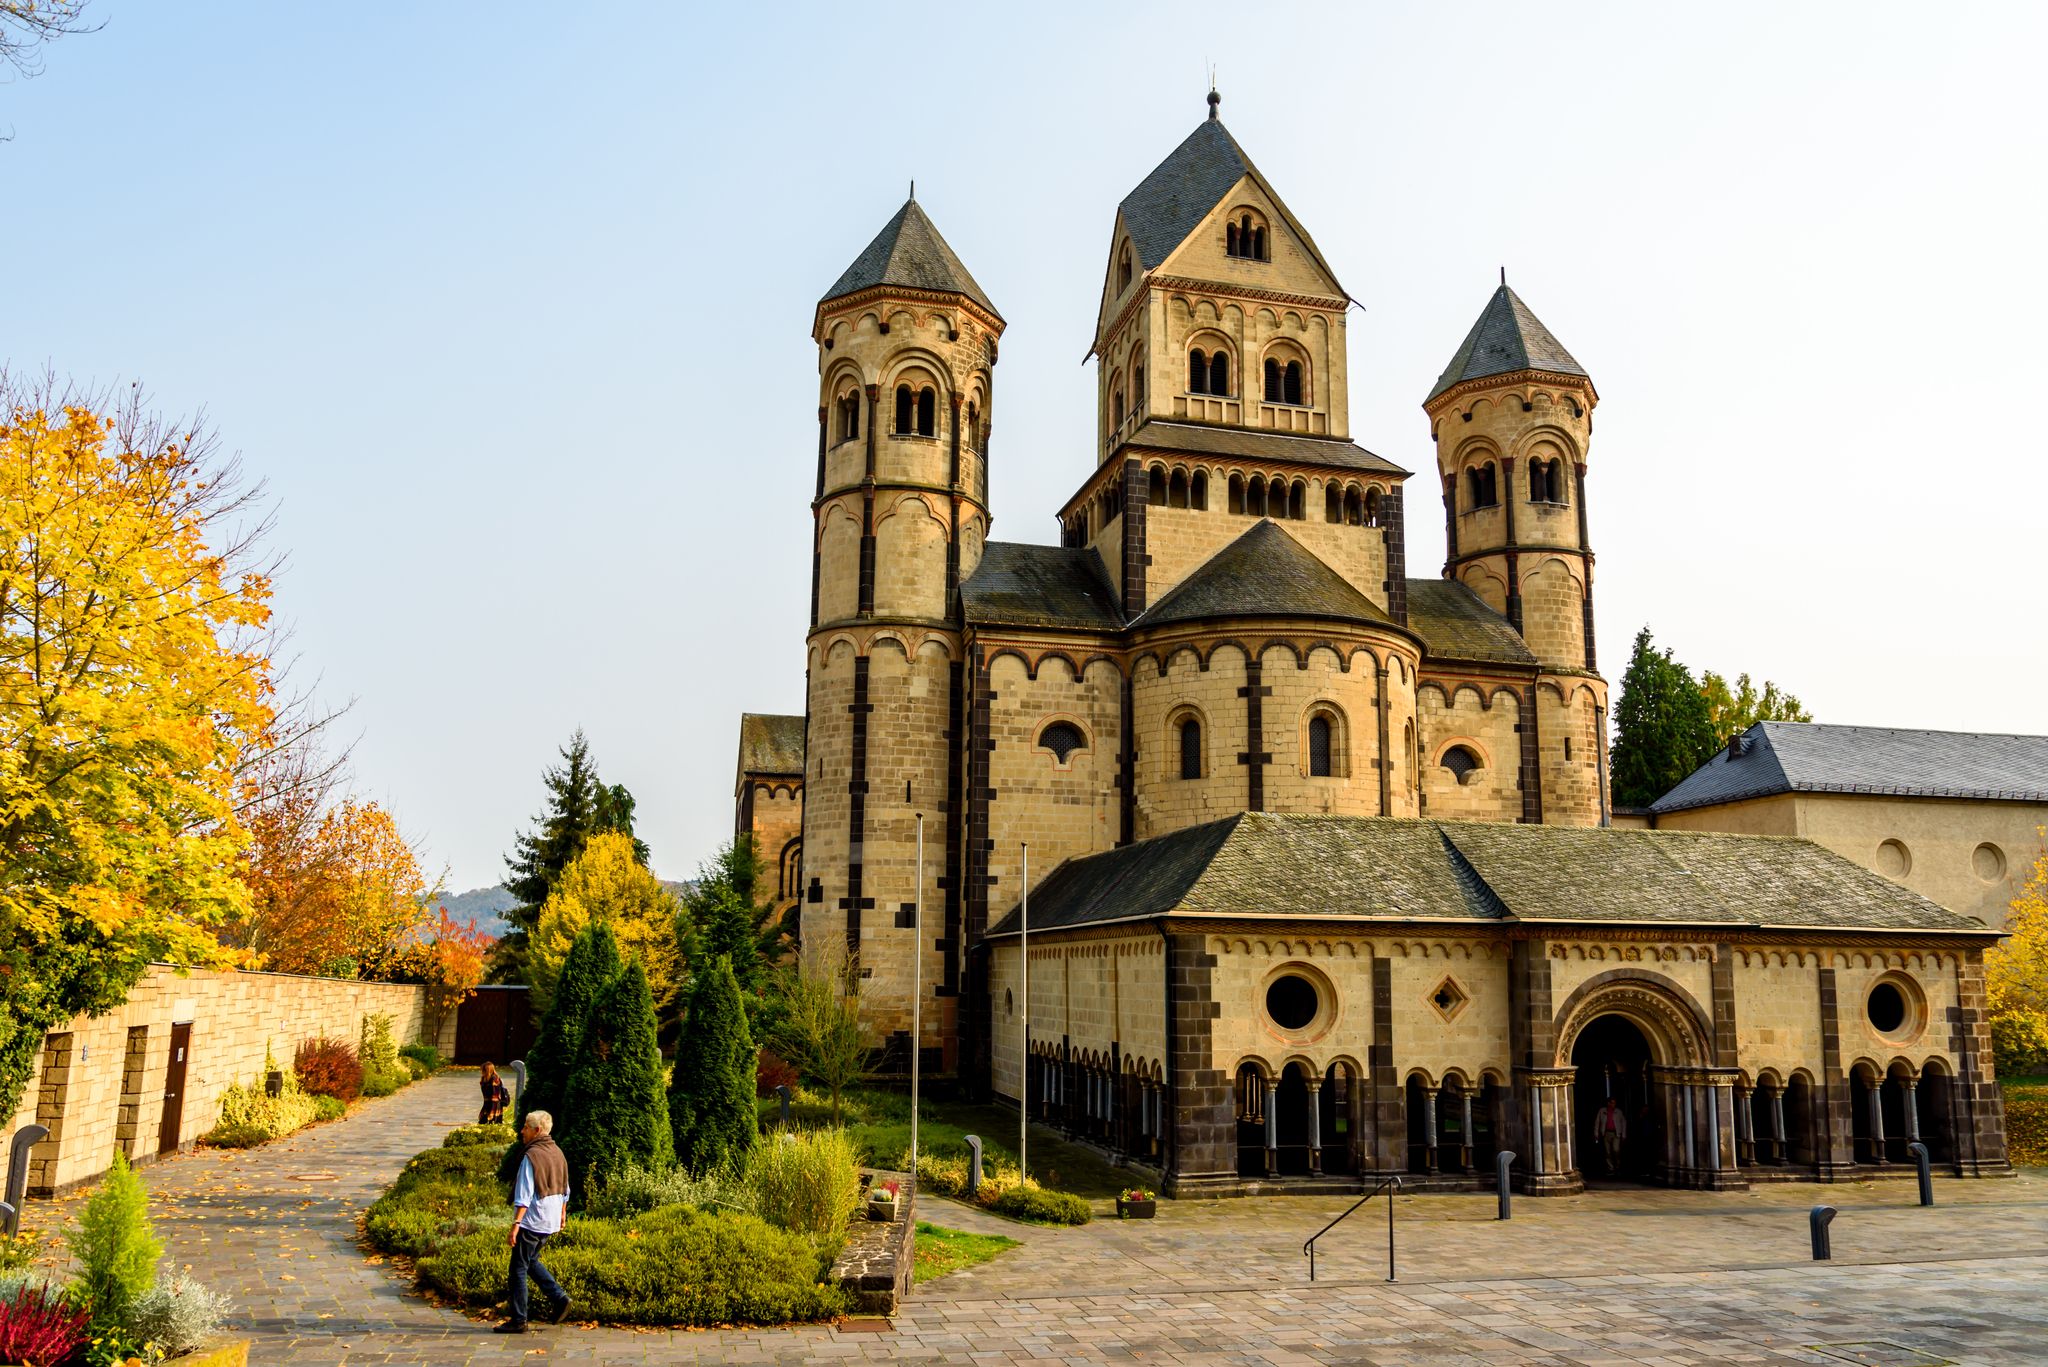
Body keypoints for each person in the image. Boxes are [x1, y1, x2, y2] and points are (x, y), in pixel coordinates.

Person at [497, 1110, 571, 1334]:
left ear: (537, 1131)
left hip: (533, 1220)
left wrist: (516, 1225)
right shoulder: (556, 1151)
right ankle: (559, 1298)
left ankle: (519, 1320)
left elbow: (524, 1193)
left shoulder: (533, 1155)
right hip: (550, 1219)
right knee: (530, 1261)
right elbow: (565, 1188)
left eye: (526, 1127)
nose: (522, 1131)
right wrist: (562, 1214)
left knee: (517, 1269)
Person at [1592, 1095, 1628, 1176]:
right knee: (1607, 1152)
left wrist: (1624, 1134)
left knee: (1616, 1150)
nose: (1613, 1105)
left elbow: (1623, 1123)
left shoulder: (1618, 1112)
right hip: (1606, 1133)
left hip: (1616, 1133)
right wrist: (1596, 1133)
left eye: (1614, 1103)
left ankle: (1618, 1166)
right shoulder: (1602, 1111)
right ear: (1608, 1103)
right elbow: (1597, 1122)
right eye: (1612, 1103)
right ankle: (1610, 1168)